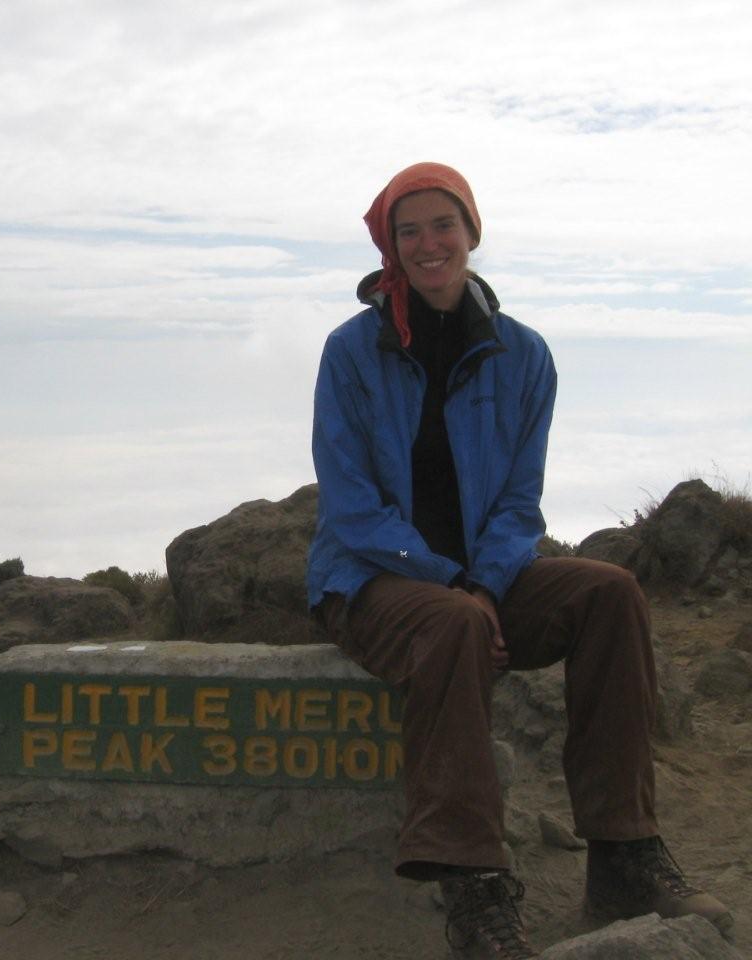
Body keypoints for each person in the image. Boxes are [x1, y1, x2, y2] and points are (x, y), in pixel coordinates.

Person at [307, 161, 733, 958]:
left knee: (609, 594)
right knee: (452, 627)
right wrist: (452, 586)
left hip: (481, 579)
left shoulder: (524, 355)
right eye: (409, 231)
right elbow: (352, 506)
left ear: (472, 231)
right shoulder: (351, 353)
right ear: (390, 248)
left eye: (444, 224)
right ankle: (473, 885)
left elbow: (518, 503)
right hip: (371, 581)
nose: (429, 244)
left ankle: (624, 852)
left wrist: (485, 582)